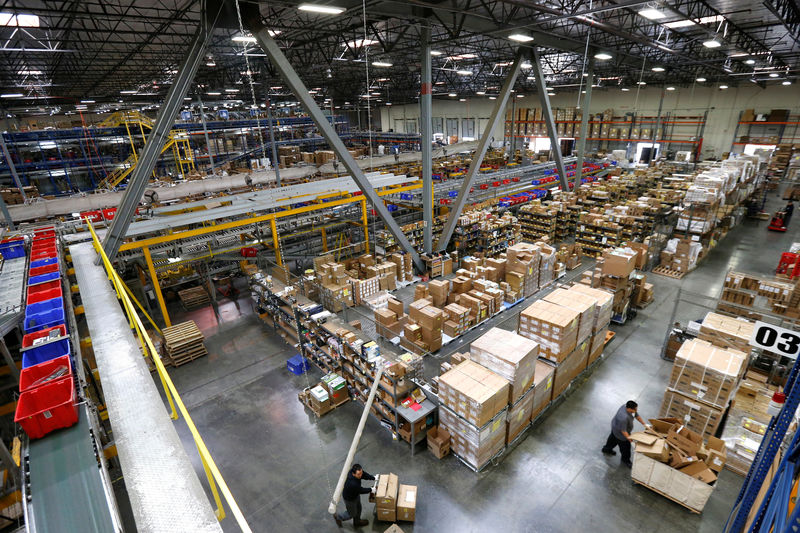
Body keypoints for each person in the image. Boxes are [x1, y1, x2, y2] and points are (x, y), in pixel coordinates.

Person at [602, 400, 646, 467]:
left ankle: (606, 449)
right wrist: (630, 440)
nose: (636, 410)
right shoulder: (623, 417)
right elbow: (623, 431)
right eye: (635, 409)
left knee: (612, 439)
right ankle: (625, 460)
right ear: (629, 408)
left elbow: (636, 414)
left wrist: (644, 424)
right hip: (620, 433)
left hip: (615, 427)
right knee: (626, 447)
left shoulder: (625, 406)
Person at [334, 464, 375, 528]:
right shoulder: (352, 483)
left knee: (359, 508)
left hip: (355, 494)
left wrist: (373, 477)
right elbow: (361, 490)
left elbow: (364, 474)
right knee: (352, 514)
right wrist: (371, 490)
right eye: (359, 474)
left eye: (361, 472)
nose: (361, 475)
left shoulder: (357, 472)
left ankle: (357, 522)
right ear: (353, 474)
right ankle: (338, 517)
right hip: (349, 499)